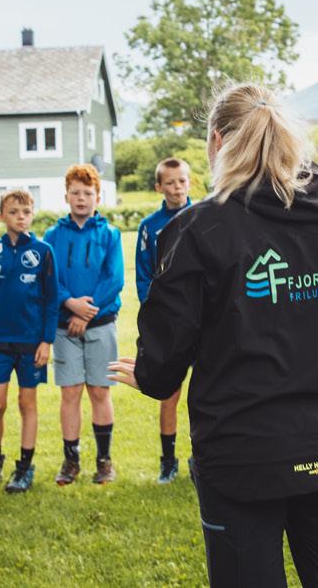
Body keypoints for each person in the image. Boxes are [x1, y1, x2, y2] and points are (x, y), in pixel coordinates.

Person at [109, 82, 318, 588]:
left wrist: (153, 375)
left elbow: (167, 346)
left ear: (217, 141)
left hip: (240, 453)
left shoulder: (198, 228)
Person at [45, 162, 125, 486]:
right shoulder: (52, 236)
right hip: (65, 328)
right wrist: (69, 304)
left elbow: (114, 279)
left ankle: (104, 462)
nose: (81, 198)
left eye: (87, 193)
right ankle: (71, 461)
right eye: (75, 193)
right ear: (66, 196)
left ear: (98, 197)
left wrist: (85, 312)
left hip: (100, 324)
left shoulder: (110, 234)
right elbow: (50, 279)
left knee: (99, 391)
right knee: (70, 392)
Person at [0, 189, 58, 493]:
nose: (20, 217)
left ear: (32, 215)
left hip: (30, 344)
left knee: (27, 403)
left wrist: (46, 341)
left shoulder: (43, 251)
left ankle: (24, 467)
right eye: (13, 212)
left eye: (26, 212)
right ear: (2, 216)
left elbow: (52, 299)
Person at [136, 157, 194, 483]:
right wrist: (157, 314)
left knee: (206, 392)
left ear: (190, 182)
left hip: (202, 321)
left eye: (182, 181)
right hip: (169, 324)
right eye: (170, 183)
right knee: (169, 393)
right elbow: (143, 275)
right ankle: (168, 461)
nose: (177, 188)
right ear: (159, 187)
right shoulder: (149, 227)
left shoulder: (203, 215)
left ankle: (202, 458)